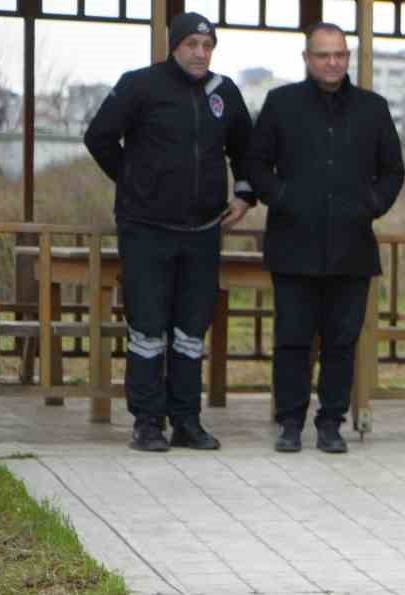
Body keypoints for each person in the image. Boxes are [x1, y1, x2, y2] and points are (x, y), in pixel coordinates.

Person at [84, 11, 253, 453]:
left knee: (191, 331)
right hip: (146, 230)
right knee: (147, 328)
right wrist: (133, 182)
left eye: (207, 46)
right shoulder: (140, 85)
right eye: (191, 44)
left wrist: (244, 194)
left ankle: (186, 421)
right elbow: (98, 137)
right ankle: (147, 423)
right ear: (174, 46)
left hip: (203, 231)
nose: (200, 53)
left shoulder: (224, 92)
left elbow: (246, 149)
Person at [245, 22, 404, 455]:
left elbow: (393, 170)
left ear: (347, 57)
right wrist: (282, 197)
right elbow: (256, 163)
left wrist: (371, 205)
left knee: (341, 342)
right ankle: (290, 424)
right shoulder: (281, 104)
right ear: (307, 58)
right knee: (292, 340)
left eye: (340, 54)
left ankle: (331, 423)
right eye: (323, 54)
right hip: (293, 246)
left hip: (352, 248)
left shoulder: (372, 108)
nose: (332, 62)